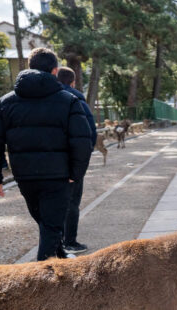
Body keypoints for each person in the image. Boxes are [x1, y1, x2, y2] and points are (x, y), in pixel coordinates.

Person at [0, 47, 92, 261]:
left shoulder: (7, 102)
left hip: (25, 177)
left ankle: (59, 256)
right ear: (55, 71)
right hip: (57, 177)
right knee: (50, 228)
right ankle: (44, 283)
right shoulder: (68, 101)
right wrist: (75, 173)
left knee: (47, 224)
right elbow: (82, 141)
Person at [57, 66, 97, 255]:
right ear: (73, 82)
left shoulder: (47, 97)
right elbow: (90, 132)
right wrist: (81, 163)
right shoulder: (77, 98)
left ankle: (56, 242)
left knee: (53, 202)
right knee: (72, 202)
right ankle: (70, 241)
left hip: (51, 160)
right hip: (72, 160)